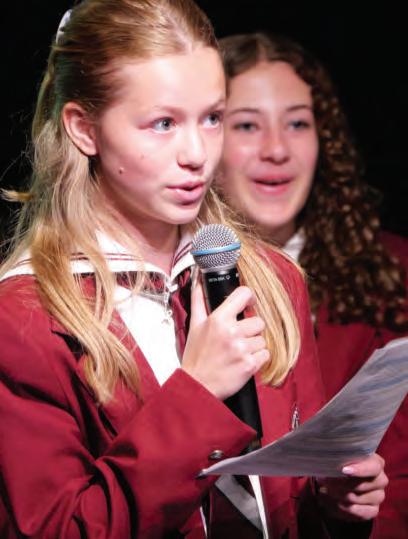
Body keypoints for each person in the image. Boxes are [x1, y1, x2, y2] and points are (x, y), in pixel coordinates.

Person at [0, 2, 387, 536]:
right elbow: (59, 528)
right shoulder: (25, 320)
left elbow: (290, 503)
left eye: (212, 118)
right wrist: (198, 393)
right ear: (84, 129)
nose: (197, 153)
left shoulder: (273, 278)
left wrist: (335, 506)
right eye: (163, 124)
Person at [218, 31, 408, 538]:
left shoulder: (395, 276)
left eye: (298, 123)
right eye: (247, 125)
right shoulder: (166, 288)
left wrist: (348, 512)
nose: (277, 149)